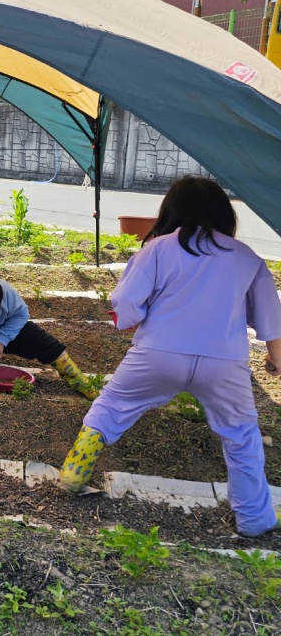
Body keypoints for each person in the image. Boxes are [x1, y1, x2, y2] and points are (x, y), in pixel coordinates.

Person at [60, 176, 281, 537]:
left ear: (171, 210)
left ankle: (75, 468)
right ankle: (255, 518)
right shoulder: (247, 258)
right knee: (242, 434)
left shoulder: (158, 249)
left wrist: (133, 321)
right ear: (225, 214)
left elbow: (125, 303)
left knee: (112, 404)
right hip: (224, 362)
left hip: (158, 352)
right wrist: (275, 358)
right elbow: (271, 318)